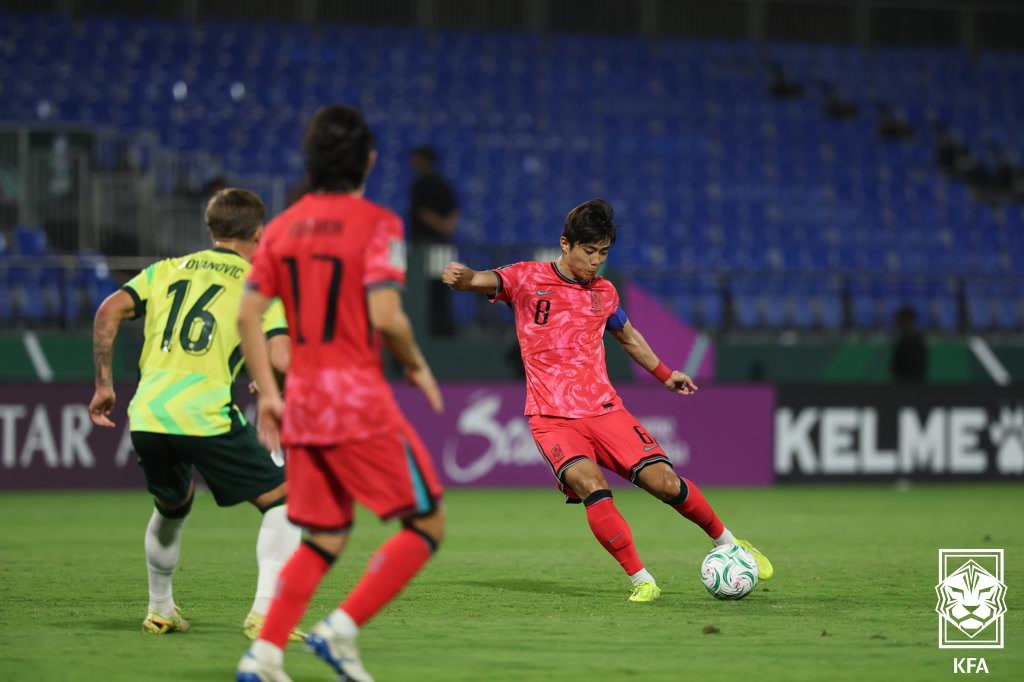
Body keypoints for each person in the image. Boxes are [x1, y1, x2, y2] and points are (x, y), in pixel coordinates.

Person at [442, 199, 774, 603]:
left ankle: (729, 543)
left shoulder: (604, 293)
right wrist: (462, 279)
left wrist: (666, 374)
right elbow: (482, 281)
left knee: (665, 484)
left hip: (604, 410)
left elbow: (628, 337)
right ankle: (642, 579)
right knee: (589, 484)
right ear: (565, 244)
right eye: (589, 251)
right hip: (552, 417)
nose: (596, 261)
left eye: (603, 253)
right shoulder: (527, 278)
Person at [236, 105, 446, 682]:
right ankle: (341, 629)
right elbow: (388, 315)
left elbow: (248, 316)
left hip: (301, 403)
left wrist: (271, 393)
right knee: (427, 525)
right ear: (370, 161)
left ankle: (265, 655)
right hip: (355, 399)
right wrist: (417, 365)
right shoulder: (378, 224)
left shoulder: (278, 229)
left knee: (324, 534)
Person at [88, 188, 303, 641]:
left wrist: (105, 383)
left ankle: (160, 609)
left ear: (210, 229)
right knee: (286, 501)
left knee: (173, 504)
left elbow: (108, 311)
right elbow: (282, 356)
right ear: (259, 232)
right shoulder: (260, 282)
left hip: (147, 414)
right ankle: (266, 614)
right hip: (204, 413)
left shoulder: (165, 271)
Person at [409, 145, 459, 336]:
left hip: (426, 245)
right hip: (442, 245)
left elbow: (421, 212)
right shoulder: (443, 183)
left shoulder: (420, 184)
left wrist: (440, 226)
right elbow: (454, 211)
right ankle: (443, 329)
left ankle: (433, 329)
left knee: (429, 287)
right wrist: (446, 227)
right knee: (442, 285)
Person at [890, 305, 927, 383]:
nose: (898, 325)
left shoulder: (915, 343)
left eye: (900, 321)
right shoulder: (905, 341)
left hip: (909, 386)